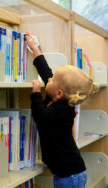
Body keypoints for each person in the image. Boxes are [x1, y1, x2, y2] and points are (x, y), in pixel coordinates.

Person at [25, 33, 98, 188]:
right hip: (66, 173)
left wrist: (36, 92)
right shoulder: (58, 96)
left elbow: (41, 117)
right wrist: (34, 49)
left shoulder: (63, 110)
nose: (48, 80)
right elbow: (46, 72)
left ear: (59, 93)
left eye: (52, 80)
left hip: (70, 176)